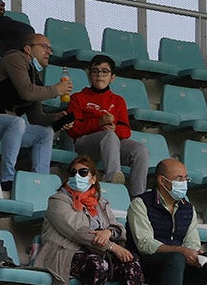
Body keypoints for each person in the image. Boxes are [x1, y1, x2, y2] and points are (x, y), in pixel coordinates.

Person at [34, 155, 158, 285]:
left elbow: (120, 228)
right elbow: (78, 232)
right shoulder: (58, 200)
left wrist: (108, 232)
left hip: (97, 253)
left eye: (83, 172)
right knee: (99, 264)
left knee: (130, 259)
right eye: (73, 173)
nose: (77, 176)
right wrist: (112, 246)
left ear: (93, 178)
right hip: (65, 254)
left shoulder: (101, 203)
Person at [0, 30, 70, 190]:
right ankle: (8, 178)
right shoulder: (15, 58)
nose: (49, 52)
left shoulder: (35, 77)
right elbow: (27, 92)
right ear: (28, 49)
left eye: (50, 49)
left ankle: (40, 181)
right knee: (17, 122)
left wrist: (58, 117)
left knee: (45, 134)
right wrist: (56, 90)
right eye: (44, 46)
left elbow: (36, 118)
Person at [59, 54, 150, 197]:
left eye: (104, 71)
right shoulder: (78, 98)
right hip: (86, 145)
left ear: (112, 77)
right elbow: (74, 129)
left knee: (140, 149)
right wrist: (99, 123)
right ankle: (113, 180)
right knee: (109, 135)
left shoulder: (118, 101)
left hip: (112, 145)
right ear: (89, 75)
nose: (99, 75)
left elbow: (126, 131)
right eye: (95, 71)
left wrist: (115, 129)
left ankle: (138, 196)